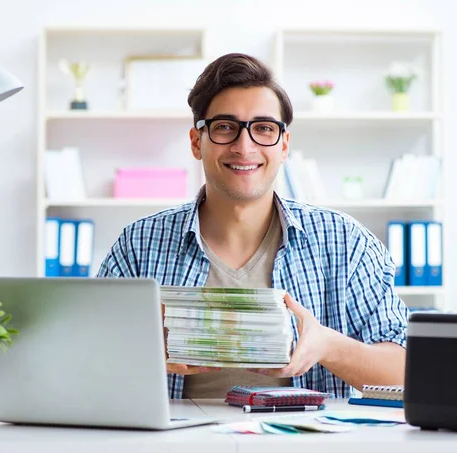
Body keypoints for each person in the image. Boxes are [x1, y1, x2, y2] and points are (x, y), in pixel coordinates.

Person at [96, 53, 409, 399]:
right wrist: (141, 345)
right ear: (197, 142)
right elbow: (86, 363)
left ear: (284, 145)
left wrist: (326, 347)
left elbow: (406, 372)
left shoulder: (344, 243)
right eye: (225, 127)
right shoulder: (139, 245)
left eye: (263, 129)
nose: (244, 147)